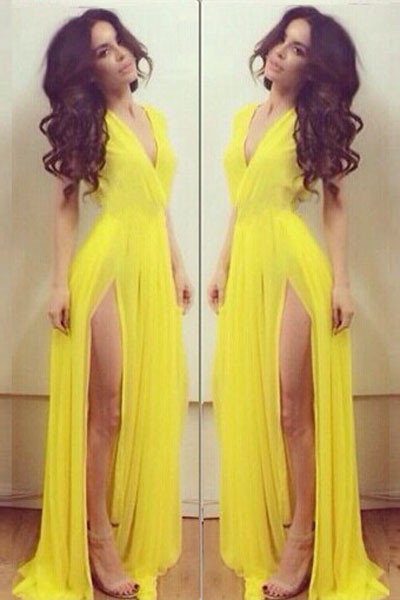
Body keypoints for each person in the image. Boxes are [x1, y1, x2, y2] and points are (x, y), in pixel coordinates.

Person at [208, 6, 389, 600]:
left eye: (300, 49)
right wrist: (222, 262)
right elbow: (242, 200)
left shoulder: (313, 122)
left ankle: (304, 540)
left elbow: (334, 202)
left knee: (293, 409)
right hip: (248, 264)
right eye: (284, 41)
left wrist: (341, 283)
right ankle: (280, 522)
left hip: (293, 264)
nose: (283, 52)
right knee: (256, 400)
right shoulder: (245, 117)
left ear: (314, 69)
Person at [12, 8, 191, 600]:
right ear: (86, 71)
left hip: (151, 266)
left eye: (117, 44)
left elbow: (158, 202)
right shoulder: (89, 123)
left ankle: (120, 523)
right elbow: (66, 202)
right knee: (106, 410)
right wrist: (59, 283)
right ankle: (96, 540)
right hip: (107, 266)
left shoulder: (153, 118)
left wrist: (176, 263)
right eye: (102, 52)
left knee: (142, 402)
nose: (118, 55)